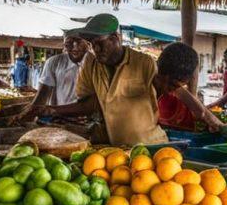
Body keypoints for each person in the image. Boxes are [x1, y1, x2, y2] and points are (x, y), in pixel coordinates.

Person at [34, 14, 166, 145]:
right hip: (110, 149)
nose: (95, 49)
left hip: (148, 145)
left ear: (115, 39)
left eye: (100, 43)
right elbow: (90, 104)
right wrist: (53, 110)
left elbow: (167, 91)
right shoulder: (91, 65)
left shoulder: (144, 63)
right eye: (92, 44)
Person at [154, 43, 227, 132]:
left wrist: (217, 124)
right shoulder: (149, 76)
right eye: (172, 85)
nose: (170, 90)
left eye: (177, 86)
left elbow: (200, 111)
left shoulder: (173, 87)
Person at [25, 34, 89, 114]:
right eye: (69, 43)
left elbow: (92, 103)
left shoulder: (95, 65)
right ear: (64, 44)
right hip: (58, 118)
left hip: (87, 119)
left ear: (87, 43)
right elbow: (42, 95)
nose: (75, 47)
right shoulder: (54, 62)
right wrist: (31, 110)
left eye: (79, 41)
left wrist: (51, 109)